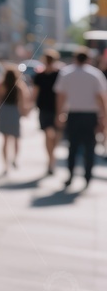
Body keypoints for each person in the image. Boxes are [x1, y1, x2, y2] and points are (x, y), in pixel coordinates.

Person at [53, 49, 107, 188]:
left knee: (73, 147)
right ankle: (87, 176)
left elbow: (61, 96)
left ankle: (71, 175)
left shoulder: (67, 73)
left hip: (74, 115)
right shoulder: (95, 74)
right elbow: (101, 97)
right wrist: (104, 116)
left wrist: (60, 114)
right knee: (90, 147)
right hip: (90, 115)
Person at [0, 67, 31, 173]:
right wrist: (25, 112)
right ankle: (14, 158)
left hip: (4, 111)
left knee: (5, 140)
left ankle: (5, 164)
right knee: (16, 138)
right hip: (14, 112)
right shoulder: (19, 85)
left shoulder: (1, 85)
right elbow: (24, 99)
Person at [33, 50, 61, 175]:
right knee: (49, 134)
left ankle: (52, 157)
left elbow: (63, 93)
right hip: (44, 109)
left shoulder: (59, 75)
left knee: (55, 136)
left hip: (57, 109)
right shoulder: (40, 76)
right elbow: (35, 92)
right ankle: (51, 160)